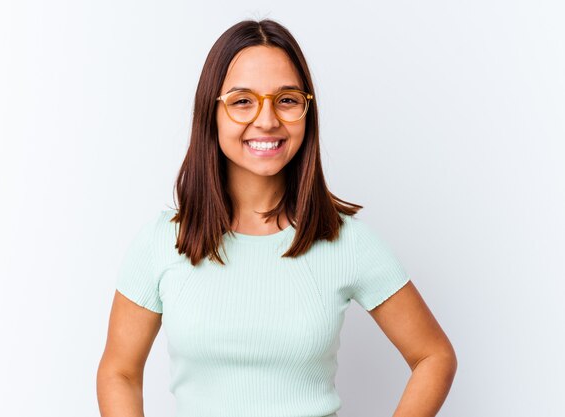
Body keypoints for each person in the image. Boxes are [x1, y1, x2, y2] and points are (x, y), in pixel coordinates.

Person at [97, 18, 457, 417]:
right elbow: (120, 372)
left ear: (306, 110)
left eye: (286, 100)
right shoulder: (161, 242)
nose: (267, 120)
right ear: (210, 113)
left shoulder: (347, 241)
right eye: (242, 101)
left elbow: (433, 355)